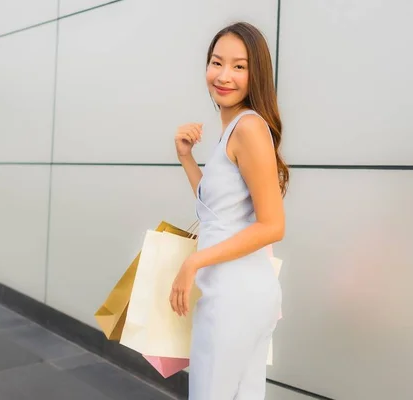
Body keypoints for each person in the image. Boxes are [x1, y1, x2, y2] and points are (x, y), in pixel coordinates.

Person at [169, 22, 289, 399]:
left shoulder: (248, 128)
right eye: (217, 62)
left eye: (239, 66)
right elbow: (217, 212)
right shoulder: (236, 128)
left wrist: (194, 262)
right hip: (239, 292)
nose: (223, 76)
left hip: (233, 295)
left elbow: (273, 226)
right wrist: (187, 159)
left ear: (257, 75)